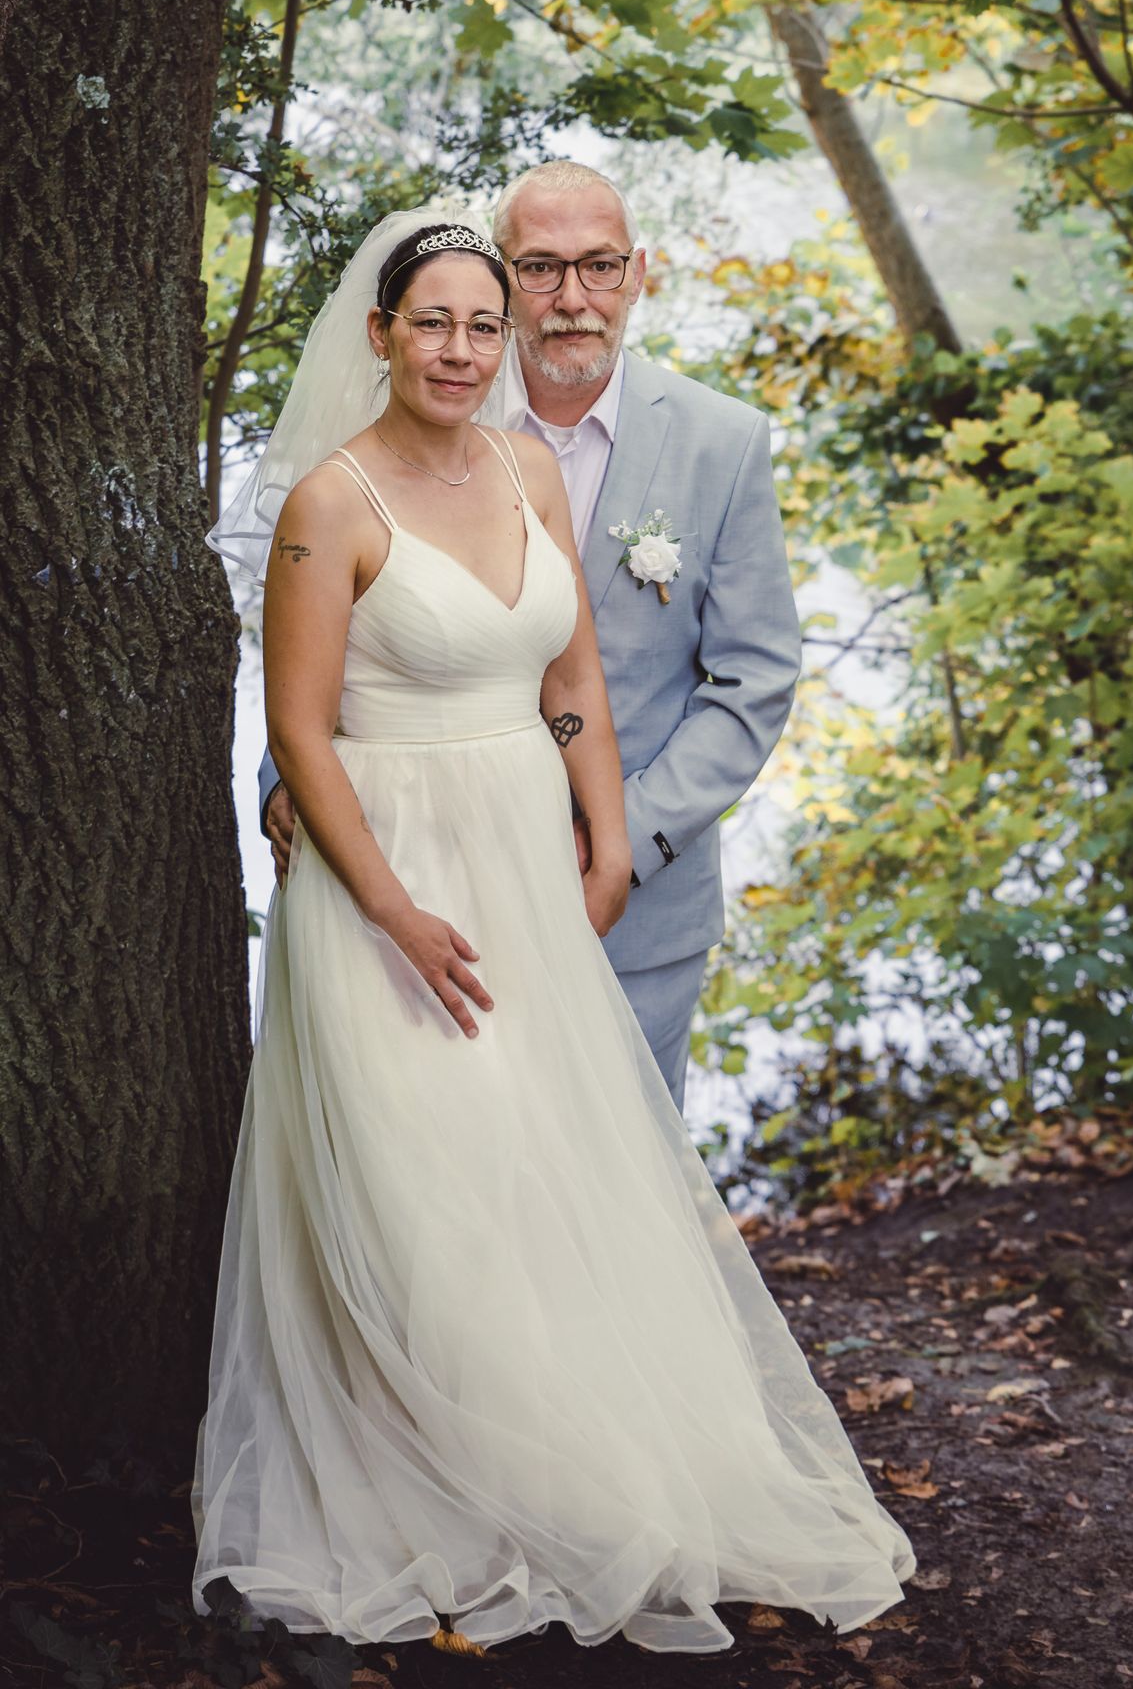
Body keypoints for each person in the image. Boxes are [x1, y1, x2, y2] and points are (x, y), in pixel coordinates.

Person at [194, 210, 914, 1653]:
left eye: (483, 324)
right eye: (433, 323)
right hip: (391, 884)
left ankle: (584, 1476)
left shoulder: (524, 470)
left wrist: (605, 843)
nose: (461, 349)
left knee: (541, 1177)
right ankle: (445, 1487)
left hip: (525, 869)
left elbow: (572, 672)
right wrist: (392, 910)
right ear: (381, 334)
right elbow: (301, 731)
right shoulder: (330, 504)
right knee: (422, 1189)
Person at [258, 161, 802, 1110]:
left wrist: (623, 841)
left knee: (620, 1169)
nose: (573, 299)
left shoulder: (723, 442)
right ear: (504, 277)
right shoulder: (425, 406)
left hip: (627, 908)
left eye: (600, 266)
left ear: (638, 275)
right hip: (422, 879)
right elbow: (319, 645)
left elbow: (752, 680)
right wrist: (283, 782)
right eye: (541, 268)